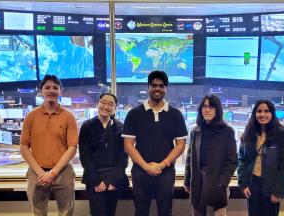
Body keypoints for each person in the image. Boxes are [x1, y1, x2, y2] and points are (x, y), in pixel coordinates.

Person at [122, 70, 188, 216]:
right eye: (154, 85)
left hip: (166, 172)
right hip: (140, 172)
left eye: (161, 85)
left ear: (166, 89)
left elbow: (180, 145)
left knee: (165, 211)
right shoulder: (134, 113)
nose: (157, 88)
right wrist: (146, 167)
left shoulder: (175, 114)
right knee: (141, 211)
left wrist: (162, 164)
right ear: (148, 87)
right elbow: (128, 145)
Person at [20, 75, 78, 216]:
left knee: (66, 212)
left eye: (55, 87)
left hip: (63, 172)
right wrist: (41, 173)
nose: (51, 90)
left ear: (60, 91)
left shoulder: (69, 117)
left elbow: (72, 148)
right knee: (38, 212)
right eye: (47, 87)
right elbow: (23, 147)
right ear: (41, 91)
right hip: (36, 173)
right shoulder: (31, 117)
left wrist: (53, 173)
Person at [237, 99, 284, 216]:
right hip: (253, 184)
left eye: (266, 111)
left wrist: (278, 192)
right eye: (259, 111)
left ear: (272, 113)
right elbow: (242, 159)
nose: (262, 114)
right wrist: (243, 183)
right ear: (254, 114)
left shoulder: (282, 134)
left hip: (271, 186)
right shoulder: (249, 132)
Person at [184, 94, 237, 216]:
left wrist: (222, 183)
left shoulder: (227, 131)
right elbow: (190, 158)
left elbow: (232, 161)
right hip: (197, 182)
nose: (207, 110)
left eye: (211, 107)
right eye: (204, 106)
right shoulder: (195, 131)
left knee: (217, 212)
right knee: (197, 211)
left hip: (216, 182)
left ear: (218, 110)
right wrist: (187, 181)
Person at [79, 93, 129, 216]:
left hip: (114, 179)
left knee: (111, 213)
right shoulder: (87, 126)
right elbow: (85, 156)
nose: (106, 106)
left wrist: (114, 180)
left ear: (115, 108)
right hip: (94, 179)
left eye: (111, 104)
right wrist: (96, 181)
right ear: (98, 104)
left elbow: (124, 156)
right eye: (103, 102)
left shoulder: (121, 127)